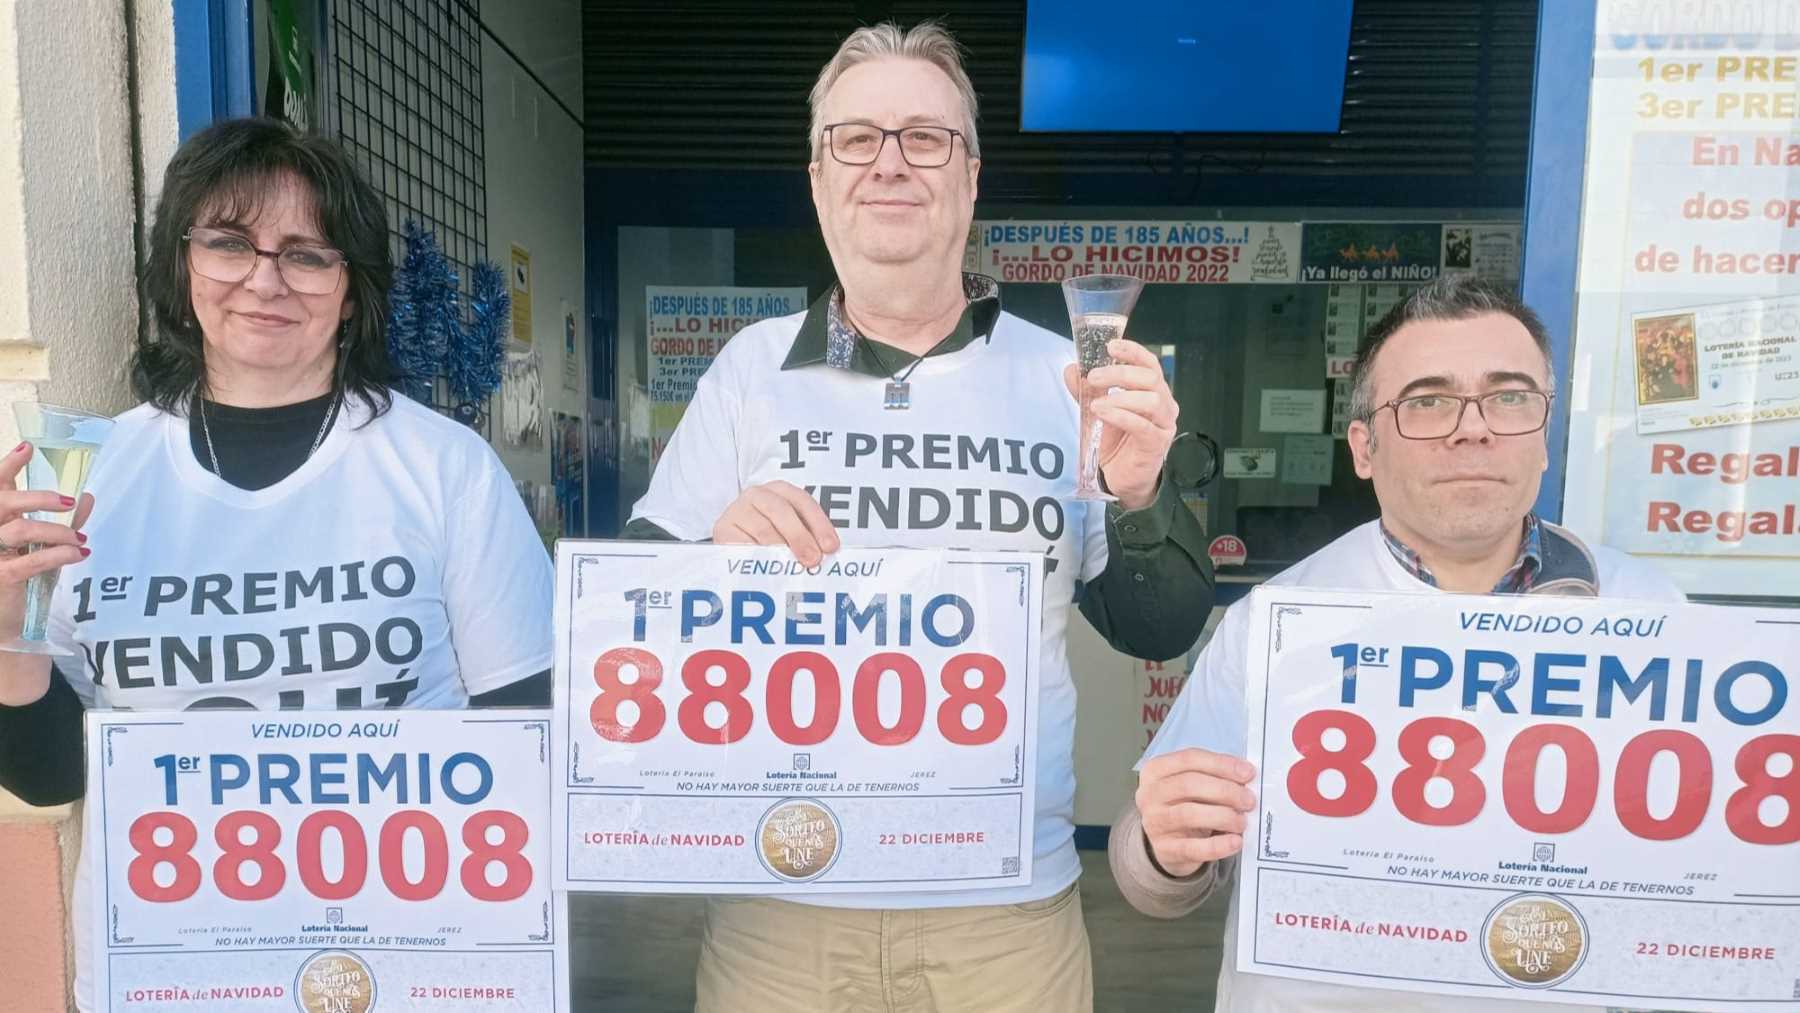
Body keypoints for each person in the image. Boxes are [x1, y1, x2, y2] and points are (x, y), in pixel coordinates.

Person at [626, 21, 1213, 1013]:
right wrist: (709, 561)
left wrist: (1141, 492)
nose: (889, 163)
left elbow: (1159, 625)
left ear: (970, 179)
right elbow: (629, 615)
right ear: (819, 180)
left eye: (926, 138)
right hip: (783, 898)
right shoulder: (748, 369)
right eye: (857, 138)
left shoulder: (1065, 377)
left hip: (1004, 910)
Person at [0, 117, 553, 1012]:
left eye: (306, 254)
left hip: (405, 964)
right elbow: (54, 777)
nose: (265, 279)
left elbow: (526, 737)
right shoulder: (95, 473)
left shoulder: (444, 468)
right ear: (182, 265)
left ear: (351, 287)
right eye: (229, 243)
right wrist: (7, 635)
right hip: (176, 973)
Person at [1109, 275, 1687, 1011]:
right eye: (1428, 401)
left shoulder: (1656, 619)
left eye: (1509, 397)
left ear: (1544, 437)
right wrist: (1165, 848)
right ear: (1364, 447)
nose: (1472, 428)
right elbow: (1150, 880)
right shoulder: (1279, 620)